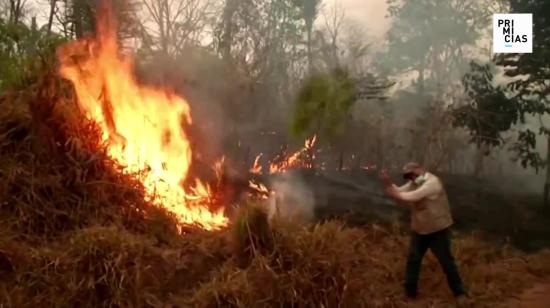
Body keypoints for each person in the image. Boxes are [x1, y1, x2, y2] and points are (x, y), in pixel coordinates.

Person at [378, 162, 468, 305]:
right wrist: (387, 182)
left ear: (421, 170)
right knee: (413, 260)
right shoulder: (415, 182)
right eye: (408, 176)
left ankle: (459, 293)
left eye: (413, 174)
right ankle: (410, 294)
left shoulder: (432, 183)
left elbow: (409, 197)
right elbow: (400, 191)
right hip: (420, 229)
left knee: (446, 262)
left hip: (437, 229)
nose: (411, 178)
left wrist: (391, 189)